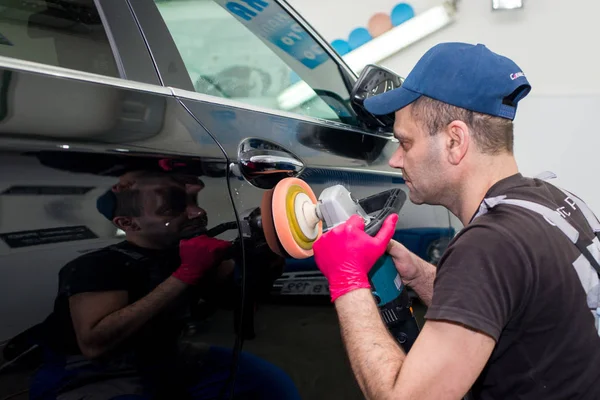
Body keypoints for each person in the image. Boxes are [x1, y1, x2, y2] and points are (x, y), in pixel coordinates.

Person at [310, 42, 600, 400]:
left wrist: (347, 280)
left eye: (405, 142)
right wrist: (419, 274)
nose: (395, 160)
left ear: (454, 141)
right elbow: (509, 306)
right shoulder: (553, 202)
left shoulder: (489, 246)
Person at [33, 171, 301, 400]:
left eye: (192, 202)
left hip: (164, 353)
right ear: (128, 223)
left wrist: (267, 260)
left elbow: (233, 301)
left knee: (271, 386)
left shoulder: (187, 250)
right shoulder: (98, 266)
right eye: (172, 209)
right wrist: (186, 273)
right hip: (92, 369)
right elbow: (95, 344)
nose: (197, 212)